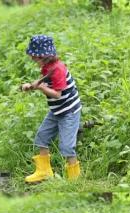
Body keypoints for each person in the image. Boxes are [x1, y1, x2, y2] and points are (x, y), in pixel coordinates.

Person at [21, 35, 82, 183]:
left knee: (66, 146)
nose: (33, 60)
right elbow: (46, 83)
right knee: (42, 137)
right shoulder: (47, 68)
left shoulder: (58, 69)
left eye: (35, 57)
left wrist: (41, 88)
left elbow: (57, 94)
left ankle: (75, 180)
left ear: (44, 56)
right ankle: (44, 172)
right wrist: (32, 86)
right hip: (57, 111)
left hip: (68, 112)